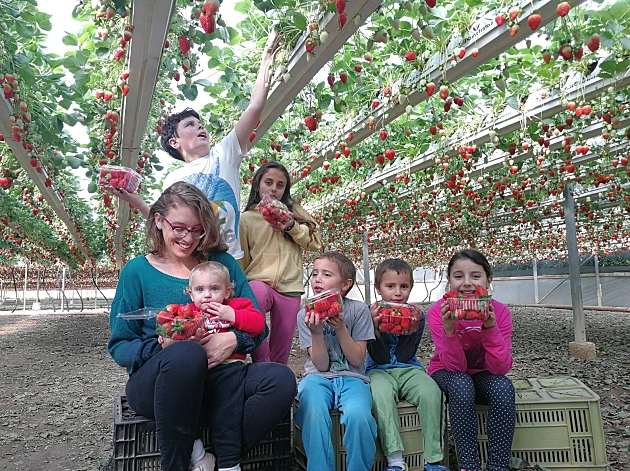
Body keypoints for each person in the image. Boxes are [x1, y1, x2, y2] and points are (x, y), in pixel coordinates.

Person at [108, 182, 296, 471]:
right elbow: (120, 346)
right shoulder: (137, 272)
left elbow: (259, 328)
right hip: (160, 387)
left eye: (197, 230)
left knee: (280, 379)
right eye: (179, 228)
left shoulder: (222, 265)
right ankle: (179, 465)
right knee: (186, 354)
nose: (188, 238)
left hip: (222, 381)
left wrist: (234, 340)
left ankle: (221, 461)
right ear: (159, 221)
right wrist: (162, 347)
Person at [107, 33, 278, 260]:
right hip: (191, 259)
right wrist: (134, 199)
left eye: (201, 125)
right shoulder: (173, 179)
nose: (201, 128)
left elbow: (255, 107)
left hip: (228, 257)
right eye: (190, 125)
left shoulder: (224, 155)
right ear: (174, 142)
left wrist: (267, 57)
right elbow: (164, 222)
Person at [426, 249, 515, 471]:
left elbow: (501, 368)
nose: (467, 283)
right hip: (447, 372)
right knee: (460, 383)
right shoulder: (439, 312)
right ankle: (469, 465)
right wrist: (449, 330)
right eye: (458, 276)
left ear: (488, 280)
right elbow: (456, 367)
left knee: (503, 387)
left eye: (475, 276)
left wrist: (490, 327)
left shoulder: (501, 312)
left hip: (484, 374)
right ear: (449, 281)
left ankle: (498, 465)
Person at [294, 252, 377, 471]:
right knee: (312, 411)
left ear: (345, 284)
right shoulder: (305, 314)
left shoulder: (358, 311)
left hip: (353, 378)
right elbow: (320, 365)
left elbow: (357, 359)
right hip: (317, 378)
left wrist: (340, 328)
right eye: (314, 273)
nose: (317, 279)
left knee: (359, 416)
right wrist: (316, 332)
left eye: (326, 274)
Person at [367, 259, 449, 471]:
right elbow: (380, 358)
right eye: (390, 286)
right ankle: (394, 459)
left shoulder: (416, 316)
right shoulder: (370, 313)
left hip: (408, 367)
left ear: (411, 288)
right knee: (380, 393)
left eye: (403, 287)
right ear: (378, 288)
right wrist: (374, 330)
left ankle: (434, 459)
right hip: (378, 369)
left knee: (431, 391)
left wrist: (410, 331)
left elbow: (404, 355)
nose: (397, 293)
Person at [239, 162, 321, 364]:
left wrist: (291, 226)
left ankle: (277, 378)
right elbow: (243, 257)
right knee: (255, 309)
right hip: (259, 281)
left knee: (282, 343)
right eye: (268, 182)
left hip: (289, 286)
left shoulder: (295, 212)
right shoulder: (246, 219)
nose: (274, 188)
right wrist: (239, 286)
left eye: (280, 185)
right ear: (257, 184)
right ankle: (262, 364)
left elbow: (316, 243)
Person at [186, 261, 265, 471]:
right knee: (190, 408)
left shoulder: (236, 306)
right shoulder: (189, 313)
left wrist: (233, 316)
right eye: (200, 290)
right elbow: (174, 329)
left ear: (227, 291)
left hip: (230, 368)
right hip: (199, 371)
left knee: (227, 413)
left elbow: (258, 325)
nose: (208, 295)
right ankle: (198, 454)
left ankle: (229, 463)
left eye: (214, 288)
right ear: (191, 294)